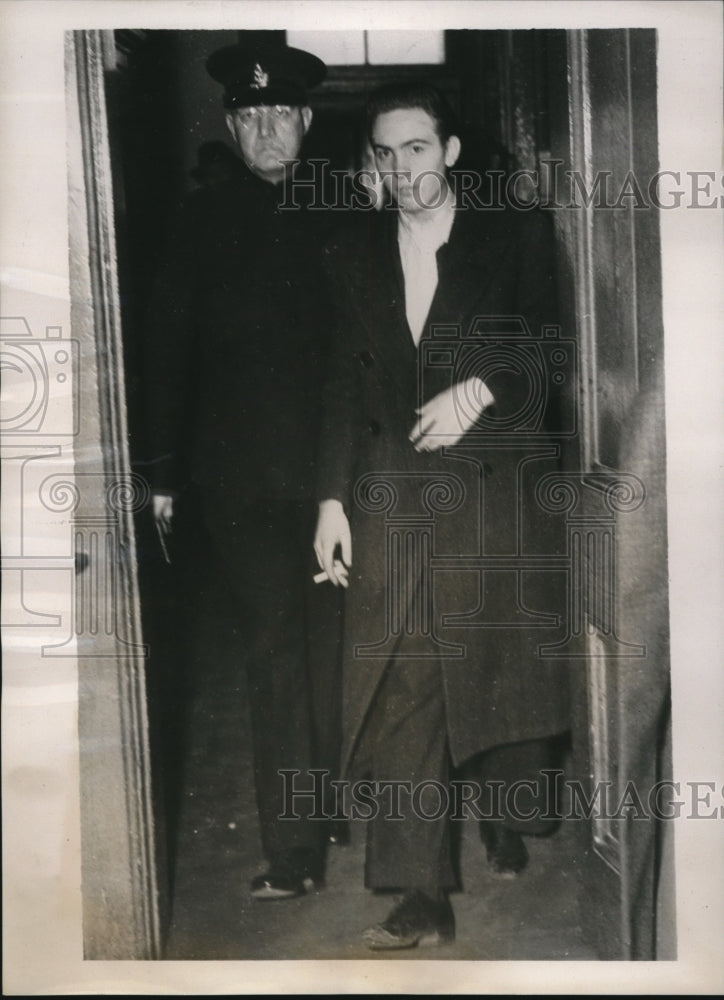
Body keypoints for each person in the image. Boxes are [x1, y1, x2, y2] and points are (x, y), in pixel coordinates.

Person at [314, 81, 571, 948]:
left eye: (416, 149)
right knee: (405, 680)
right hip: (393, 495)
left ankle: (502, 813)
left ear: (450, 153)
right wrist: (330, 501)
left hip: (494, 492)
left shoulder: (514, 233)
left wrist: (481, 388)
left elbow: (551, 349)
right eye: (384, 155)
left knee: (494, 680)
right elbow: (342, 390)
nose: (401, 170)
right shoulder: (351, 252)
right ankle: (416, 887)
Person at [145, 41, 342, 901]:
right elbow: (163, 352)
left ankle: (326, 797)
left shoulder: (347, 210)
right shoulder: (196, 224)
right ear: (233, 124)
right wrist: (159, 472)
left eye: (281, 115)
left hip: (339, 473)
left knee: (335, 644)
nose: (267, 130)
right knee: (274, 651)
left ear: (305, 122)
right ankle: (295, 853)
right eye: (250, 116)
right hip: (241, 485)